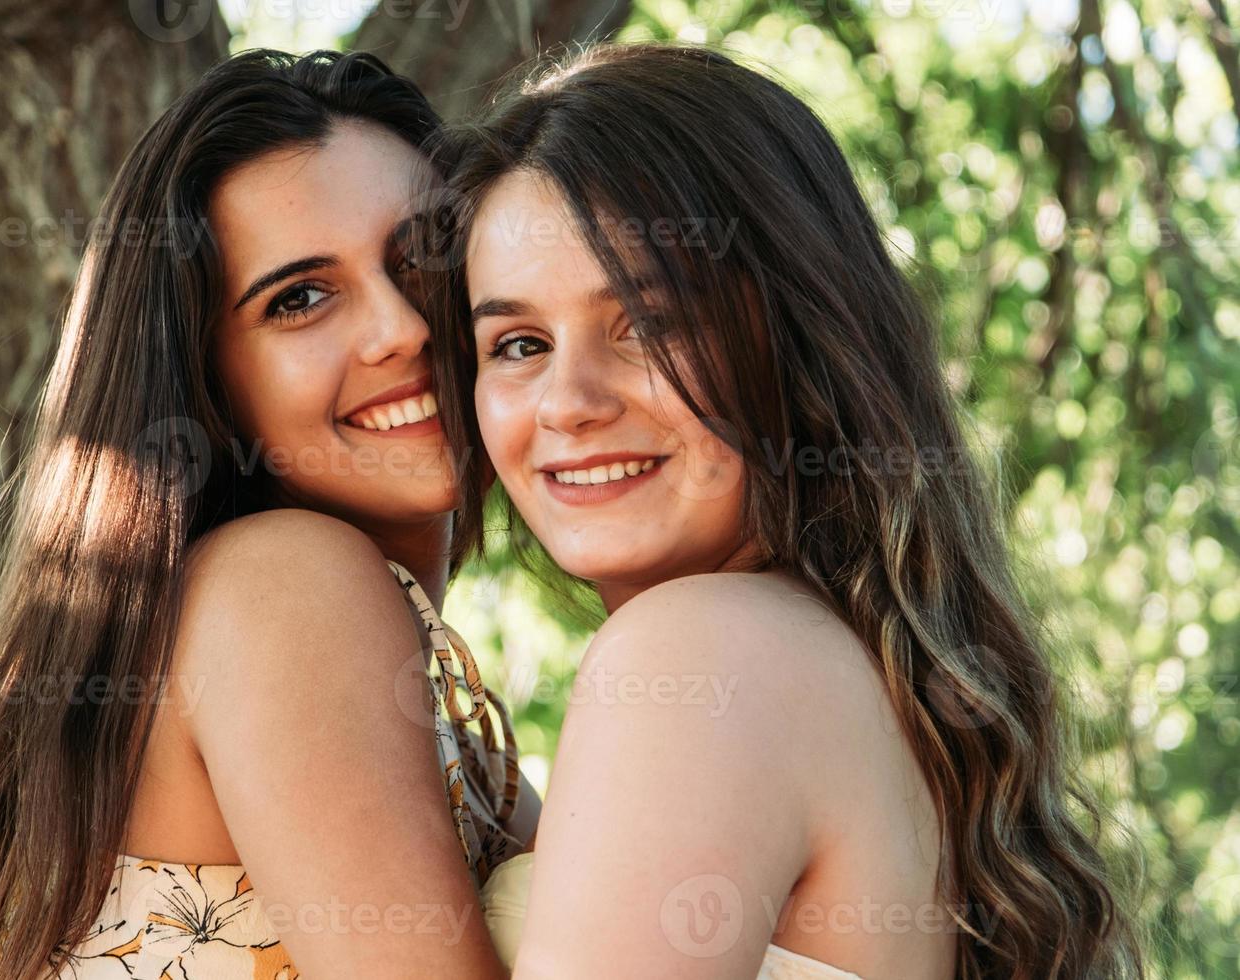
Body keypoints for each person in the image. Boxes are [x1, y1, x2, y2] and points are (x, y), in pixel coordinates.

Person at [429, 42, 1145, 980]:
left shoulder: (697, 654)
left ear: (798, 331)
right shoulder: (857, 669)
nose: (569, 401)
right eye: (518, 343)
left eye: (647, 322)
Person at [0, 49, 537, 980]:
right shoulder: (285, 583)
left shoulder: (443, 724)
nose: (400, 328)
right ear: (207, 388)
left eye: (427, 256)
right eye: (301, 298)